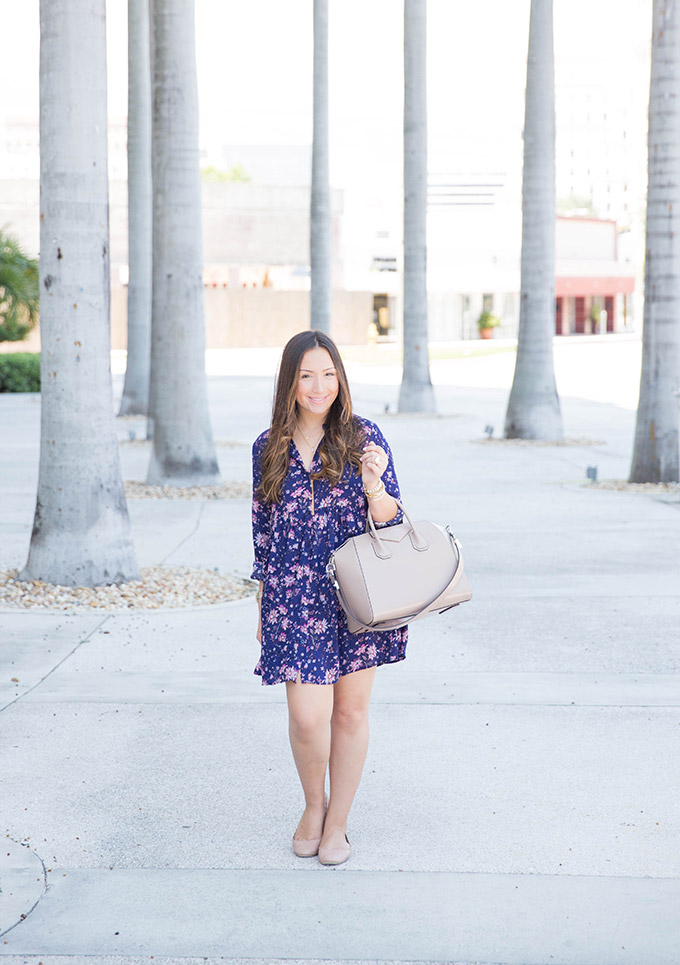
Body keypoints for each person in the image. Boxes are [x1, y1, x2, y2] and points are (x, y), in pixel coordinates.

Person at [251, 329, 407, 866]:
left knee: (350, 713)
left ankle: (337, 822)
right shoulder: (268, 446)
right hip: (294, 597)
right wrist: (263, 605)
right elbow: (263, 533)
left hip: (358, 595)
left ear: (340, 378)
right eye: (307, 376)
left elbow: (392, 520)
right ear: (289, 383)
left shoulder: (364, 436)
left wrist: (374, 484)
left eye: (328, 375)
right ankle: (313, 805)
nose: (319, 387)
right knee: (307, 718)